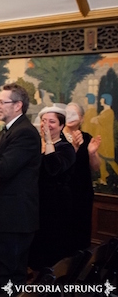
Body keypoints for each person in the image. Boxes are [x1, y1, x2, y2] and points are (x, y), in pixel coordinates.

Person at [0, 83, 41, 293]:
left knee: (11, 275)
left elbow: (4, 168)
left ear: (18, 105)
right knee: (8, 271)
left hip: (15, 218)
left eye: (3, 102)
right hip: (5, 217)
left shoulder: (25, 133)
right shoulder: (9, 131)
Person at [28, 105, 76, 271]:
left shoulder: (66, 147)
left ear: (61, 126)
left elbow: (53, 168)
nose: (46, 124)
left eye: (52, 121)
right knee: (35, 252)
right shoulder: (35, 146)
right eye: (43, 120)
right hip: (36, 204)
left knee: (52, 250)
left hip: (56, 207)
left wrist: (48, 141)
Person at [64, 103, 101, 251]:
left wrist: (91, 153)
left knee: (80, 233)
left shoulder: (87, 138)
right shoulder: (57, 137)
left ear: (82, 119)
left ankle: (77, 268)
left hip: (82, 193)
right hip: (62, 193)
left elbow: (96, 167)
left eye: (75, 114)